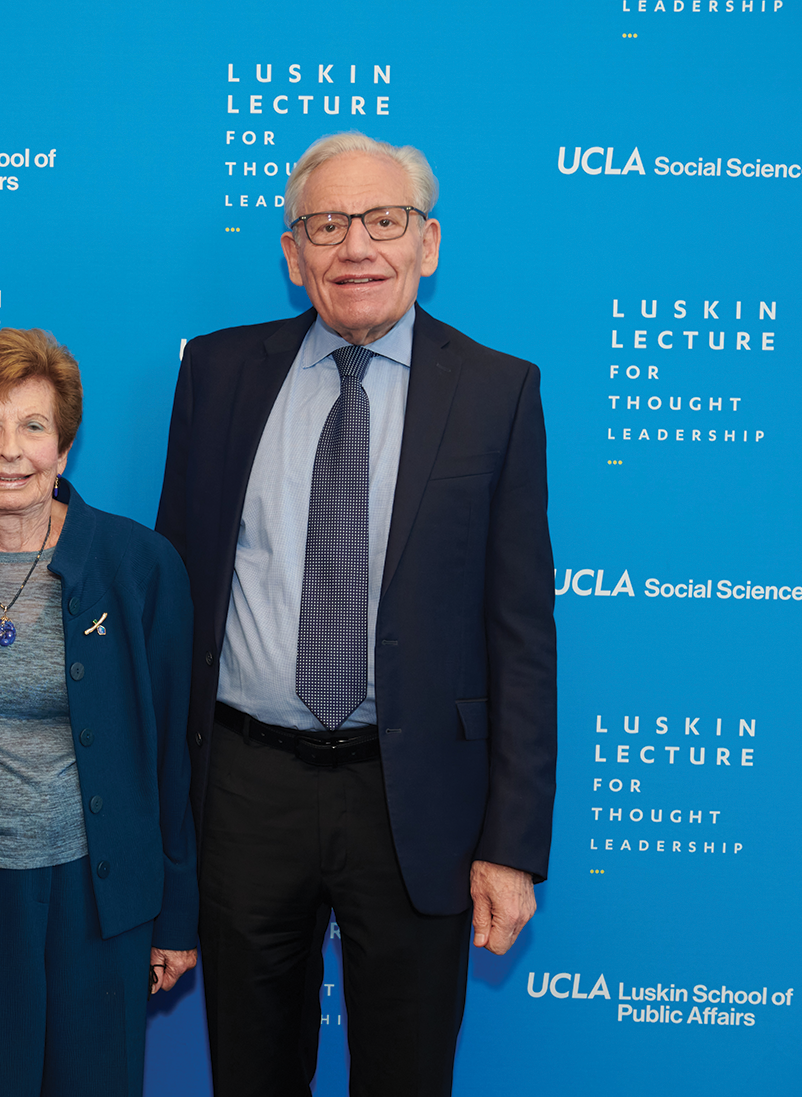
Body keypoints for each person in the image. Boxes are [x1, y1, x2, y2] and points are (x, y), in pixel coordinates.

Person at [155, 131, 558, 1095]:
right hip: (246, 790)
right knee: (249, 1071)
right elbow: (177, 599)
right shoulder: (216, 375)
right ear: (293, 255)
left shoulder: (499, 392)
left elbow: (522, 635)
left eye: (385, 221)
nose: (356, 248)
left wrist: (511, 843)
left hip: (415, 796)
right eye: (327, 225)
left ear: (428, 242)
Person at [0, 328, 198, 1097]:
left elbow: (173, 755)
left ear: (64, 446)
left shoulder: (141, 566)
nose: (10, 450)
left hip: (97, 898)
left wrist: (175, 914)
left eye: (34, 426)